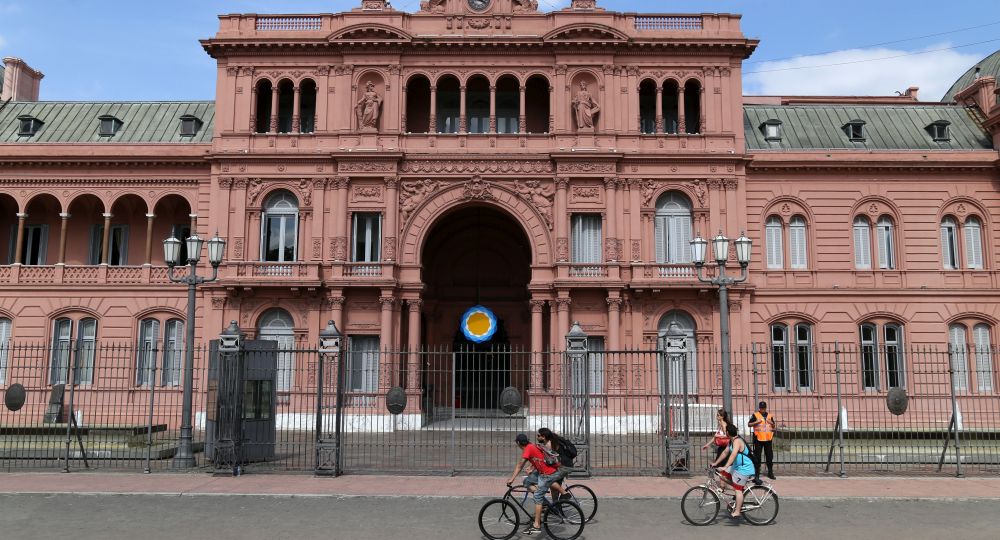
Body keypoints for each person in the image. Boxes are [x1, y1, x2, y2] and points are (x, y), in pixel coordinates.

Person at [507, 433, 560, 535]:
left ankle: (537, 525)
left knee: (537, 497)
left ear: (518, 443)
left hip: (546, 474)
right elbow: (538, 458)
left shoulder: (528, 448)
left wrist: (512, 479)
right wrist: (531, 468)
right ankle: (544, 502)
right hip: (543, 471)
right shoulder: (531, 445)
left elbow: (519, 465)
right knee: (527, 482)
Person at [711, 423, 755, 520]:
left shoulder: (737, 441)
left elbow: (733, 454)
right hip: (736, 466)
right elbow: (725, 453)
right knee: (723, 473)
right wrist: (716, 463)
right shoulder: (732, 441)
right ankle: (724, 488)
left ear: (728, 433)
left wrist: (725, 465)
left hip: (744, 468)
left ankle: (737, 511)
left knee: (738, 489)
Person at [537, 427, 571, 502]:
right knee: (553, 487)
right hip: (565, 465)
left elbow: (548, 460)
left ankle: (564, 495)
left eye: (538, 435)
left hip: (563, 467)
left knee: (548, 479)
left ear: (543, 437)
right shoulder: (551, 441)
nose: (537, 437)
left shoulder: (549, 444)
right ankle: (555, 506)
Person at [747, 400, 777, 482]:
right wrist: (756, 421)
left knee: (769, 456)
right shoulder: (755, 415)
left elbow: (773, 425)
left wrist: (771, 422)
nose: (762, 409)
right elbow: (749, 424)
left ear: (765, 408)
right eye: (761, 408)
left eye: (763, 408)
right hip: (758, 439)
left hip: (768, 439)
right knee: (757, 457)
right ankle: (756, 474)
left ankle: (770, 472)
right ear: (759, 408)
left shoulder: (770, 416)